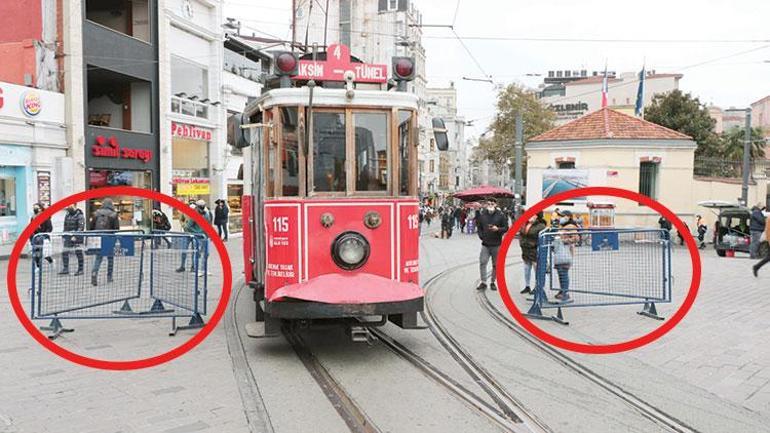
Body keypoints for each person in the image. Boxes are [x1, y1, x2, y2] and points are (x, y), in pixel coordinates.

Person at [476, 197, 509, 291]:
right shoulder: (483, 215)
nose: (490, 205)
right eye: (489, 203)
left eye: (492, 204)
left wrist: (498, 229)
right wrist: (481, 236)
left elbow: (506, 228)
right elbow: (479, 226)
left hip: (497, 244)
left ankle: (492, 282)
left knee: (496, 265)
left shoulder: (501, 215)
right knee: (483, 262)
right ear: (486, 205)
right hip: (485, 244)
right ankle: (483, 282)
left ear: (495, 205)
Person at [90, 198, 120, 286]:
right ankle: (109, 276)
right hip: (109, 238)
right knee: (110, 258)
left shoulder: (96, 214)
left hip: (98, 239)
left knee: (98, 258)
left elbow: (91, 227)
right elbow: (116, 229)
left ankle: (94, 273)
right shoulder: (114, 215)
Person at [177, 202, 210, 275]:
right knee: (184, 250)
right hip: (187, 233)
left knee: (195, 251)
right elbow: (182, 220)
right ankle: (182, 266)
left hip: (195, 235)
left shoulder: (202, 214)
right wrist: (184, 225)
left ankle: (194, 267)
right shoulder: (184, 212)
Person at [519, 210, 547, 294]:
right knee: (526, 268)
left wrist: (535, 245)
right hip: (526, 250)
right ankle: (527, 286)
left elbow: (543, 238)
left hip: (534, 250)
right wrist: (521, 243)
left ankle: (538, 287)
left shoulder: (541, 226)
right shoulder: (526, 224)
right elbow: (521, 234)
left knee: (537, 269)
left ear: (537, 216)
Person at [554, 210, 579, 302]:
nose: (560, 218)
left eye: (562, 216)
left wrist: (563, 241)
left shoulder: (571, 226)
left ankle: (565, 293)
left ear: (568, 217)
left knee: (563, 272)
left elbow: (576, 238)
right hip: (561, 252)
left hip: (566, 252)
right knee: (561, 272)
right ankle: (562, 291)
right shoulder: (563, 226)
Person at [59, 204, 85, 276]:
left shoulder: (80, 215)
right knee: (64, 252)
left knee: (78, 253)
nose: (68, 207)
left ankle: (80, 269)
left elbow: (81, 227)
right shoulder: (67, 215)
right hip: (68, 236)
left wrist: (75, 236)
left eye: (70, 206)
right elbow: (65, 226)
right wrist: (64, 234)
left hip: (77, 237)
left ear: (75, 206)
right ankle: (65, 268)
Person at [30, 202, 53, 269]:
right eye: (34, 208)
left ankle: (51, 261)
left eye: (36, 208)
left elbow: (50, 228)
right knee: (37, 254)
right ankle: (38, 267)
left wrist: (44, 235)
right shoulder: (33, 218)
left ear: (40, 209)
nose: (35, 209)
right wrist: (32, 237)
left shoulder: (46, 217)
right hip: (36, 238)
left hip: (44, 237)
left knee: (46, 254)